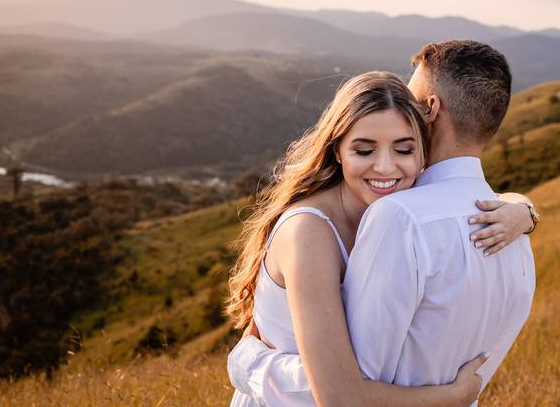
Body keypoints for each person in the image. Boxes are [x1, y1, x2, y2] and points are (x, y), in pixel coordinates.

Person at [227, 59, 537, 406]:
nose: (386, 167)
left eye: (404, 149)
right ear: (338, 150)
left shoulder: (402, 211)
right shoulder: (309, 232)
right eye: (364, 150)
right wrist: (448, 397)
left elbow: (468, 198)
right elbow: (339, 396)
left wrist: (523, 210)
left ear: (421, 149)